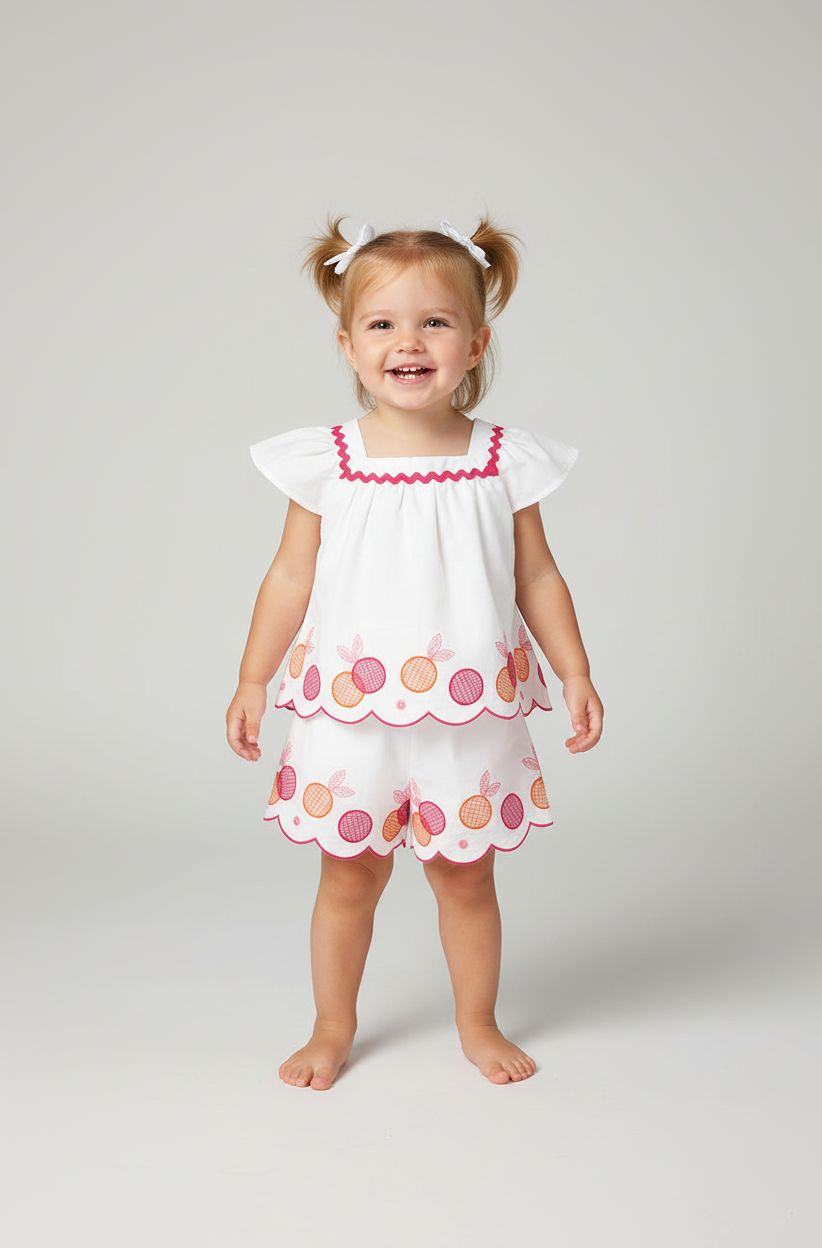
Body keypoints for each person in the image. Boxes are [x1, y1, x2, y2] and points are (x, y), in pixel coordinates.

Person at [226, 216, 603, 1090]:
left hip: (468, 710)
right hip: (350, 711)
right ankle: (331, 1027)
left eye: (435, 322)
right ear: (349, 345)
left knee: (466, 877)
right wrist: (253, 676)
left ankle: (478, 1022)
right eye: (383, 325)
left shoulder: (503, 459)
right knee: (348, 876)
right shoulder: (330, 461)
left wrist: (576, 670)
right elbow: (288, 577)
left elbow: (537, 576)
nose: (409, 342)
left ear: (475, 343)